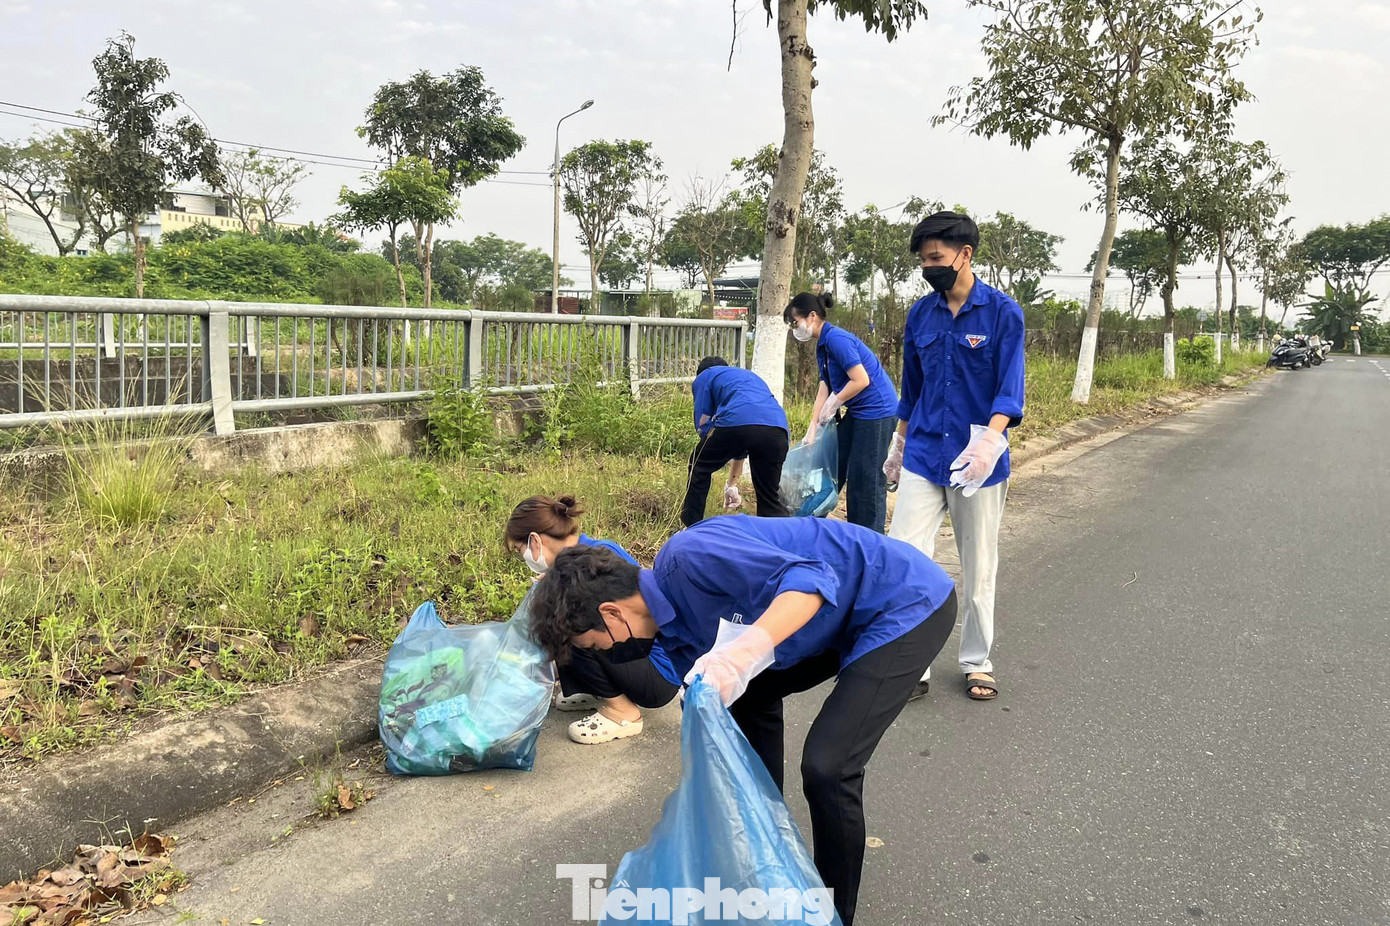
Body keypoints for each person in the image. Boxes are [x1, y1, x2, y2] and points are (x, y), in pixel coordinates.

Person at [528, 516, 958, 926]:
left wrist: (745, 651)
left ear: (613, 613)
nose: (604, 653)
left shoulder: (690, 558)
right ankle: (765, 839)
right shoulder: (669, 629)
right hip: (833, 620)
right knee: (744, 701)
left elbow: (812, 579)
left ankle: (831, 912)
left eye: (595, 643)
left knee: (829, 767)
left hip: (900, 600)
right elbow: (677, 691)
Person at [883, 211, 1025, 701]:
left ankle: (976, 660)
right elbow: (912, 388)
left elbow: (1010, 390)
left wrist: (991, 441)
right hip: (923, 451)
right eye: (923, 261)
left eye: (936, 258)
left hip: (977, 460)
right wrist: (898, 443)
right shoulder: (921, 315)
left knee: (978, 562)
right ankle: (911, 664)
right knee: (905, 557)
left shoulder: (1003, 314)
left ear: (965, 255)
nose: (929, 267)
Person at [504, 495, 678, 744]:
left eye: (521, 550)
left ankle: (623, 712)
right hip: (643, 659)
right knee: (559, 614)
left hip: (658, 674)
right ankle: (594, 689)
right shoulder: (587, 555)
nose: (524, 558)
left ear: (535, 540)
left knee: (564, 623)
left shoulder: (592, 563)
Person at [785, 292, 900, 532]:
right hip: (858, 412)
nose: (794, 329)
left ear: (812, 316)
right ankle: (812, 525)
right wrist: (813, 427)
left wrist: (835, 401)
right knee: (835, 465)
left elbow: (861, 380)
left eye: (795, 322)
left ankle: (869, 538)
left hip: (877, 410)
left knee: (865, 478)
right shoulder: (823, 346)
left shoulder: (837, 339)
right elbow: (823, 389)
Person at [682, 356, 791, 527]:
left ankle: (691, 526)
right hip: (777, 429)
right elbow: (744, 439)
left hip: (737, 423)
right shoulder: (747, 377)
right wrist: (731, 485)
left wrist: (708, 443)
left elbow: (704, 423)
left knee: (699, 465)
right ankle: (779, 542)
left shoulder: (706, 375)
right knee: (768, 495)